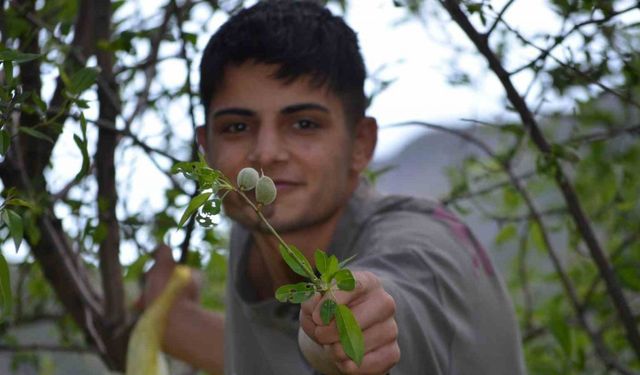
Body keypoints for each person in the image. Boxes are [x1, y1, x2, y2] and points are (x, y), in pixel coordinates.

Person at [141, 1, 526, 374]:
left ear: (360, 144)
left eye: (304, 124)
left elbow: (393, 303)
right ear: (207, 149)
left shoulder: (428, 242)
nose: (266, 153)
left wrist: (348, 324)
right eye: (237, 127)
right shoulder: (254, 229)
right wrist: (171, 322)